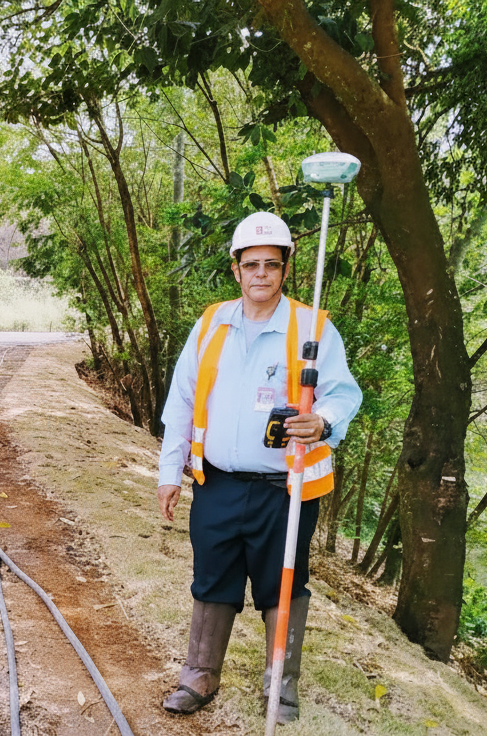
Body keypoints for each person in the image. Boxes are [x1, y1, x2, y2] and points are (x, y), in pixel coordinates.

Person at [155, 211, 362, 722]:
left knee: (283, 585)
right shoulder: (211, 324)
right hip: (216, 483)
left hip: (284, 488)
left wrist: (323, 421)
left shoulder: (312, 327)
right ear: (236, 269)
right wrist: (167, 471)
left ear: (286, 268)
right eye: (252, 265)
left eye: (272, 264)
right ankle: (199, 676)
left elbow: (343, 394)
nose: (261, 274)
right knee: (212, 578)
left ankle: (281, 686)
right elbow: (181, 400)